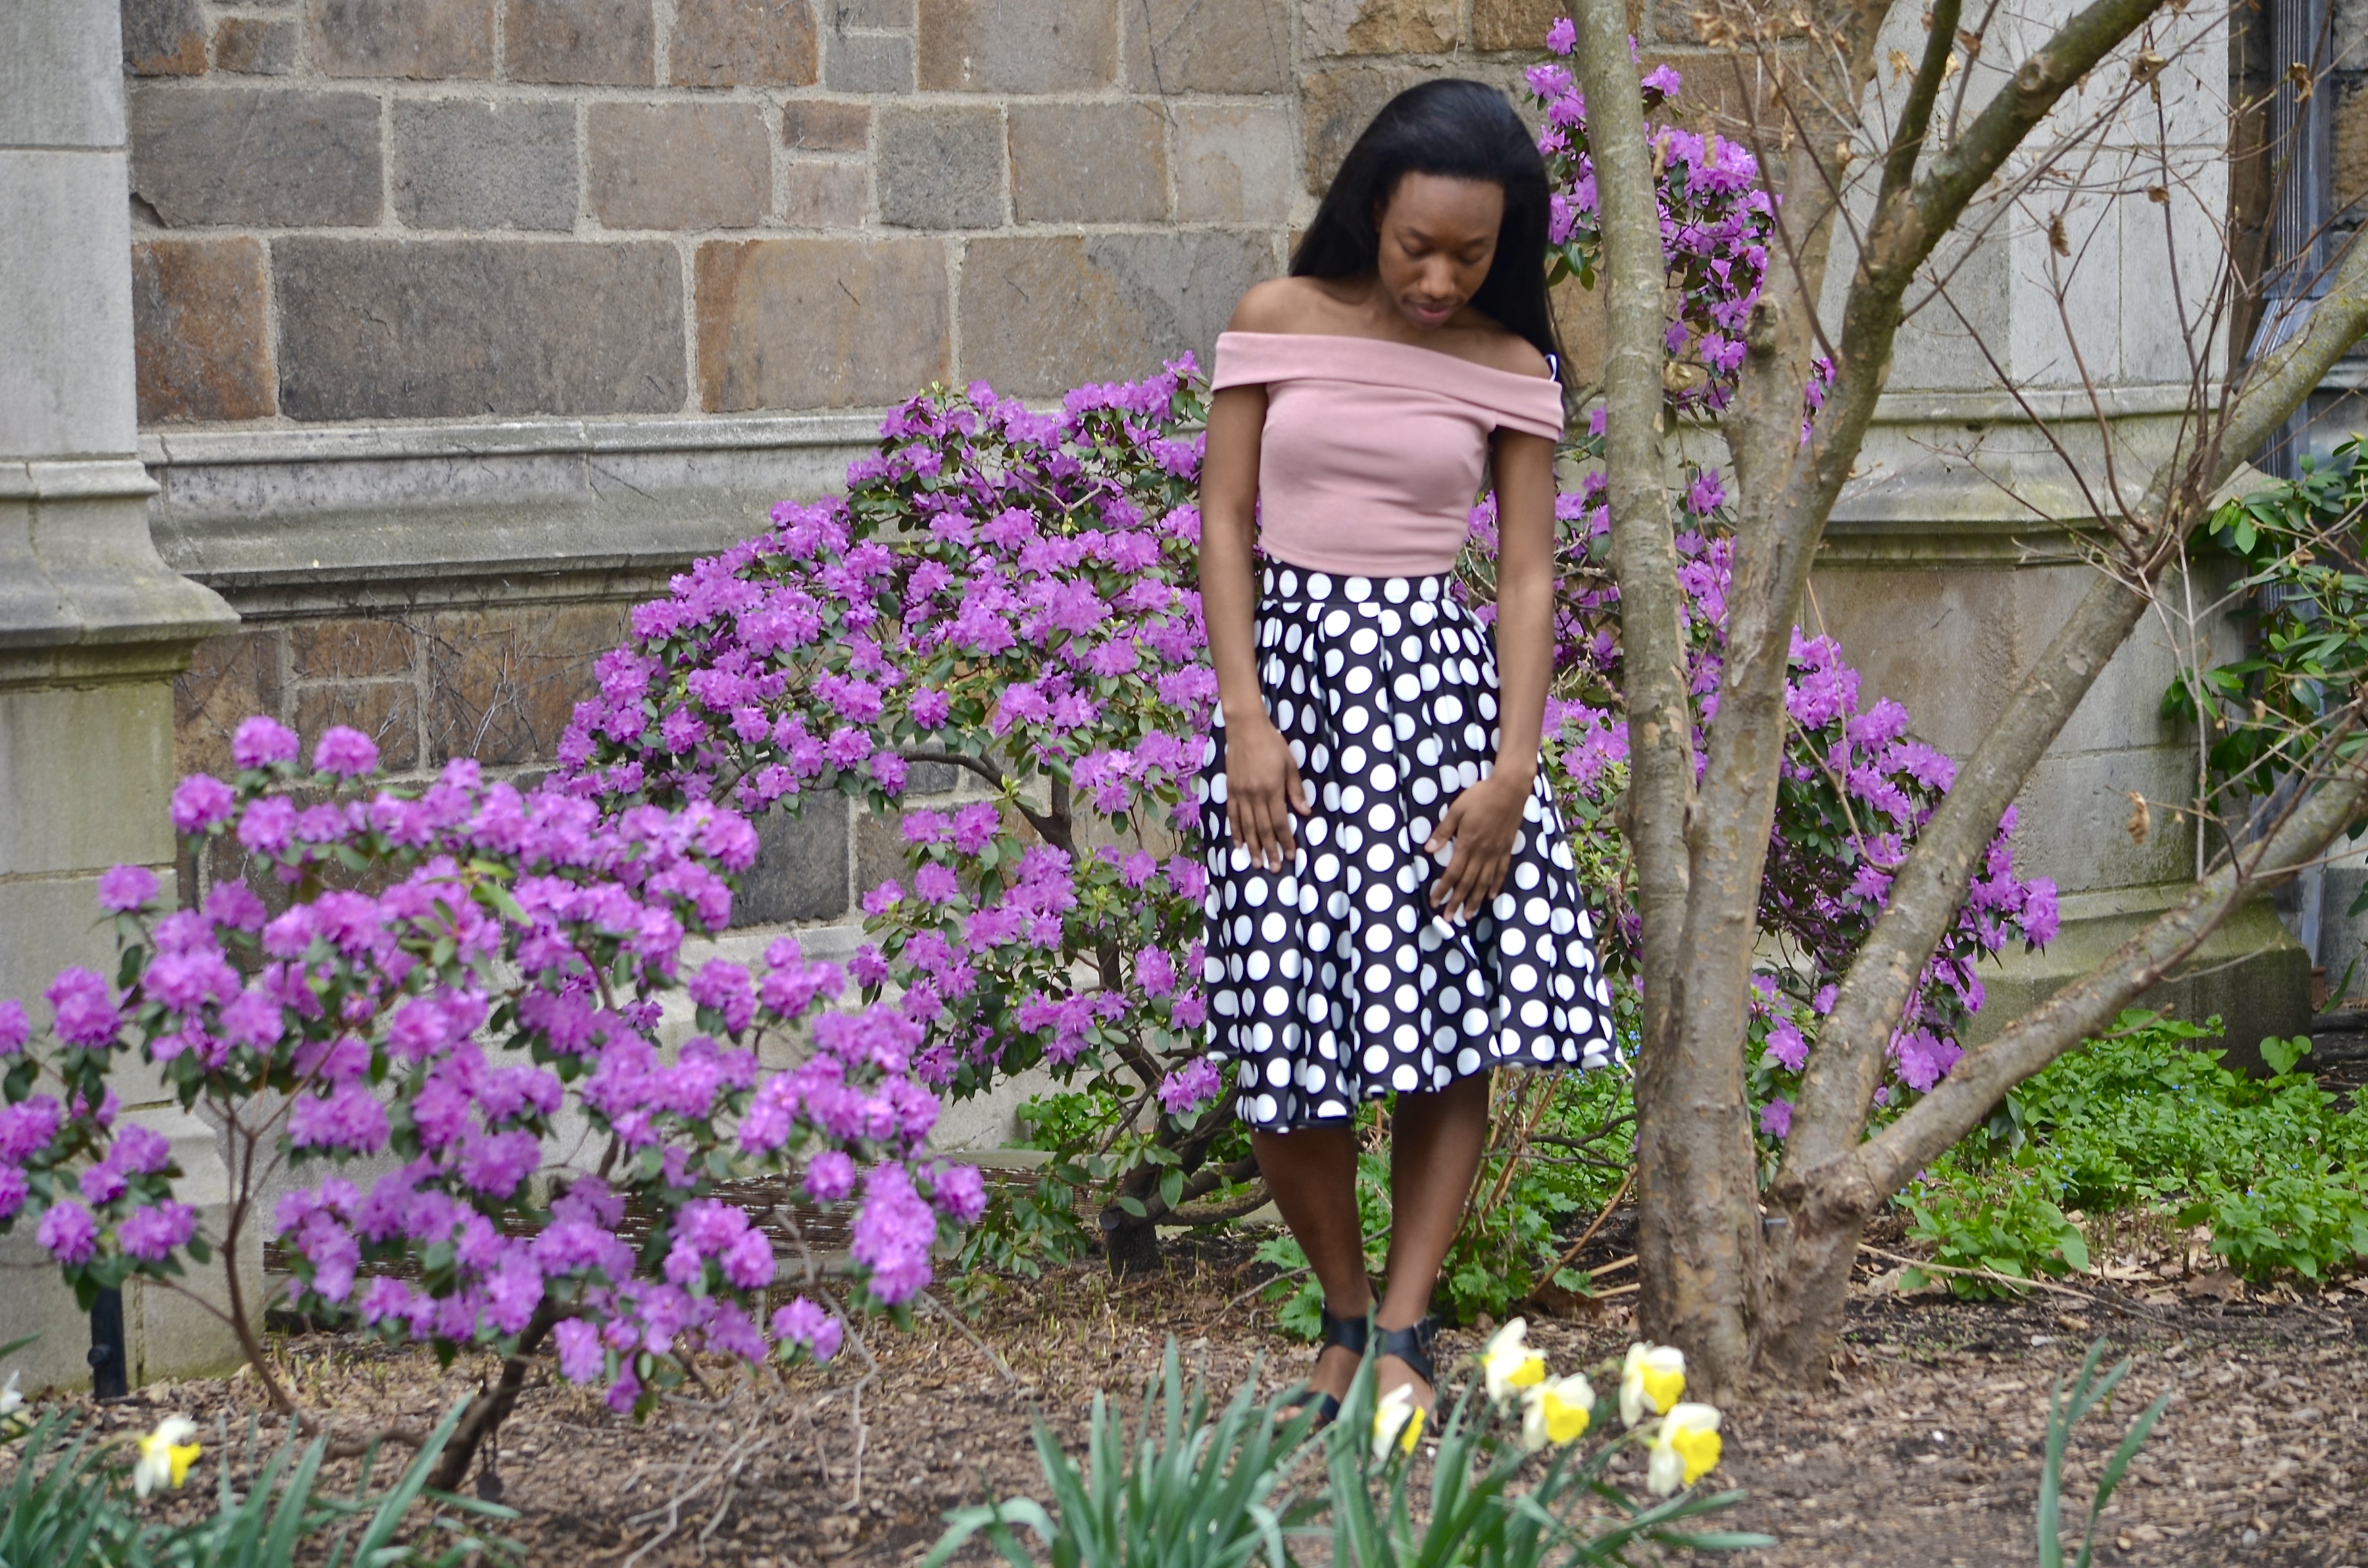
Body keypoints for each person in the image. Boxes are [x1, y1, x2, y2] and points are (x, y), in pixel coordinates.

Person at [1194, 78, 1616, 1436]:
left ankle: (1403, 1330)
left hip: (1440, 713)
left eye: (1472, 256)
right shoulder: (1275, 320)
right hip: (1293, 712)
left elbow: (1533, 579)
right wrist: (1244, 717)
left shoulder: (1510, 370)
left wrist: (1511, 767)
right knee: (1278, 1019)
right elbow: (1224, 516)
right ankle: (1336, 1309)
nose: (1440, 277)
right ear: (1371, 211)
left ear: (1511, 247)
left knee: (1447, 1024)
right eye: (1416, 245)